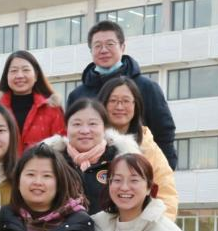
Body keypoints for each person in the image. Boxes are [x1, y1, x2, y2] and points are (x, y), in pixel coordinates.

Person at [67, 21, 177, 168]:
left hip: (139, 169)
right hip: (90, 171)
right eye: (97, 46)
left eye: (110, 44)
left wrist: (164, 170)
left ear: (122, 47)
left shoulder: (146, 87)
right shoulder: (78, 95)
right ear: (91, 50)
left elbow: (164, 132)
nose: (103, 50)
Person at [98, 77, 178, 221]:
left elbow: (166, 194)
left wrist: (154, 228)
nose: (119, 107)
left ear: (136, 105)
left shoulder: (148, 148)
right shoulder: (89, 140)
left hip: (137, 227)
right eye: (113, 100)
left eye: (126, 101)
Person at [42, 99, 141, 213]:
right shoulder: (52, 161)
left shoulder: (121, 160)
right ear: (66, 127)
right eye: (77, 124)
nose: (85, 131)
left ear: (104, 128)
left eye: (93, 124)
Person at [0, 51, 64, 152]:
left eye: (26, 70)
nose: (19, 75)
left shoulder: (52, 108)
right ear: (6, 76)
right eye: (14, 71)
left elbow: (62, 147)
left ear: (36, 75)